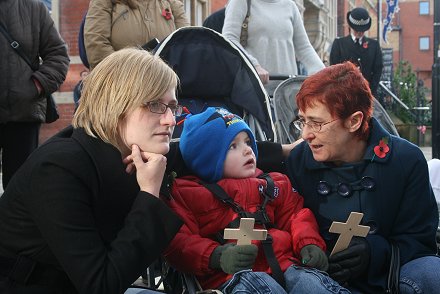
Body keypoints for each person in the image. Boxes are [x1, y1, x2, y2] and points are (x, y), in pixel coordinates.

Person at [0, 48, 183, 294]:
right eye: (154, 105)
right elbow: (101, 286)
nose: (171, 120)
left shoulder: (131, 154)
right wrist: (149, 193)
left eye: (173, 107)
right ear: (117, 105)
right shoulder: (58, 169)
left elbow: (203, 154)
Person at [284, 61, 440, 293]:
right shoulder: (299, 161)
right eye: (303, 121)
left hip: (391, 277)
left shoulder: (406, 160)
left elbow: (421, 241)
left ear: (354, 121)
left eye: (316, 123)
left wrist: (375, 252)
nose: (305, 134)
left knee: (432, 272)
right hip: (323, 279)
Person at [163, 107, 350, 293]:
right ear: (207, 159)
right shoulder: (188, 194)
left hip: (285, 264)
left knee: (309, 281)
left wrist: (309, 243)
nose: (247, 151)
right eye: (232, 146)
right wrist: (215, 255)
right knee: (257, 283)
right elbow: (180, 241)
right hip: (232, 276)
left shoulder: (274, 183)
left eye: (247, 142)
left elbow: (296, 216)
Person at [0, 0, 69, 189]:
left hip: (24, 113)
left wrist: (36, 86)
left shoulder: (34, 7)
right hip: (24, 108)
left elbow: (58, 55)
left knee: (20, 187)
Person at [222, 0, 324, 84]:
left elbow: (304, 48)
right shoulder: (241, 2)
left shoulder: (290, 6)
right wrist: (254, 65)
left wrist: (323, 72)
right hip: (254, 87)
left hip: (286, 90)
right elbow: (229, 39)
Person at [84, 0, 190, 69]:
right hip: (121, 85)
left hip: (164, 85)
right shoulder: (104, 2)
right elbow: (96, 42)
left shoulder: (172, 3)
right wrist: (126, 73)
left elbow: (186, 42)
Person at [329, 7, 383, 97]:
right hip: (345, 94)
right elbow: (334, 69)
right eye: (356, 30)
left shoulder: (374, 45)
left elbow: (378, 70)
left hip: (367, 94)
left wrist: (370, 90)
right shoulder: (339, 44)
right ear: (350, 26)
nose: (359, 33)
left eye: (362, 30)